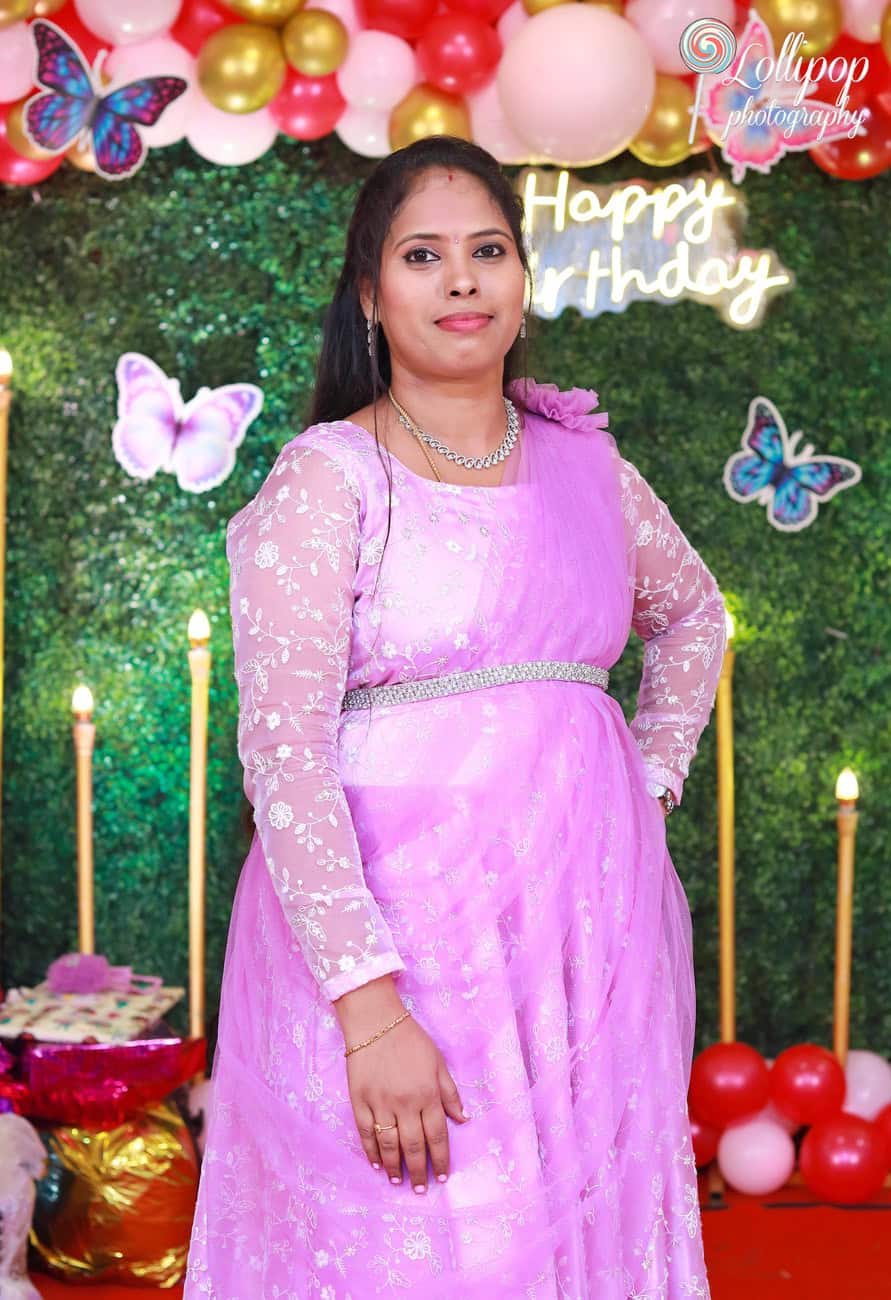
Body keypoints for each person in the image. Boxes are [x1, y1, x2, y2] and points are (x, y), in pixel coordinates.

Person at [184, 134, 725, 1299]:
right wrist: (371, 1012)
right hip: (397, 951)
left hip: (578, 948)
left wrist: (644, 785)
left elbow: (696, 616)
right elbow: (283, 750)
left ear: (523, 279)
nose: (463, 279)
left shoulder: (588, 469)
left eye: (488, 250)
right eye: (424, 256)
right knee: (417, 1247)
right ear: (372, 296)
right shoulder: (331, 478)